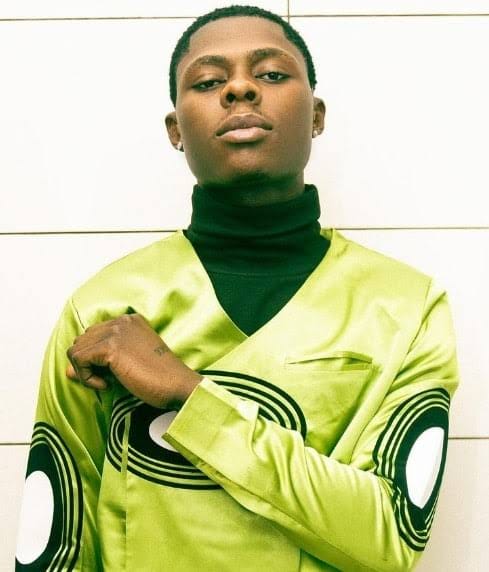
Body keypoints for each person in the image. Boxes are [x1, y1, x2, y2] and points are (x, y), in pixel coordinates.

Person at [15, 5, 459, 571]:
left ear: (316, 116)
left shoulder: (406, 307)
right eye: (208, 82)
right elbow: (55, 546)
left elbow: (391, 537)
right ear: (176, 130)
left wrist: (189, 398)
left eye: (271, 74)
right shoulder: (104, 310)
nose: (240, 89)